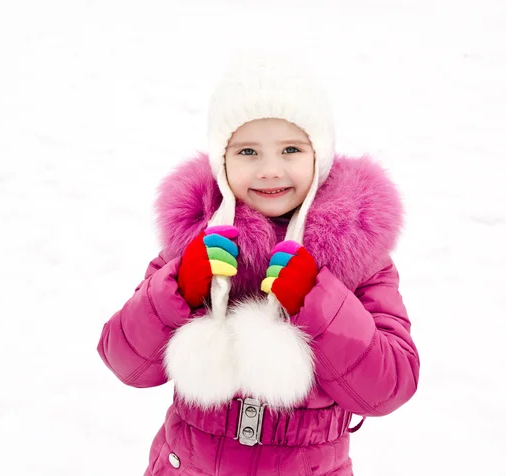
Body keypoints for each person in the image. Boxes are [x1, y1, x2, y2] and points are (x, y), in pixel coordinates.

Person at [97, 53, 420, 475]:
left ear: (319, 155)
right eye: (248, 151)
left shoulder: (361, 259)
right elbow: (125, 361)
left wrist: (316, 298)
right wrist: (178, 287)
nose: (270, 170)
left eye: (291, 149)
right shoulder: (194, 245)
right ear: (221, 160)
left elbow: (388, 388)